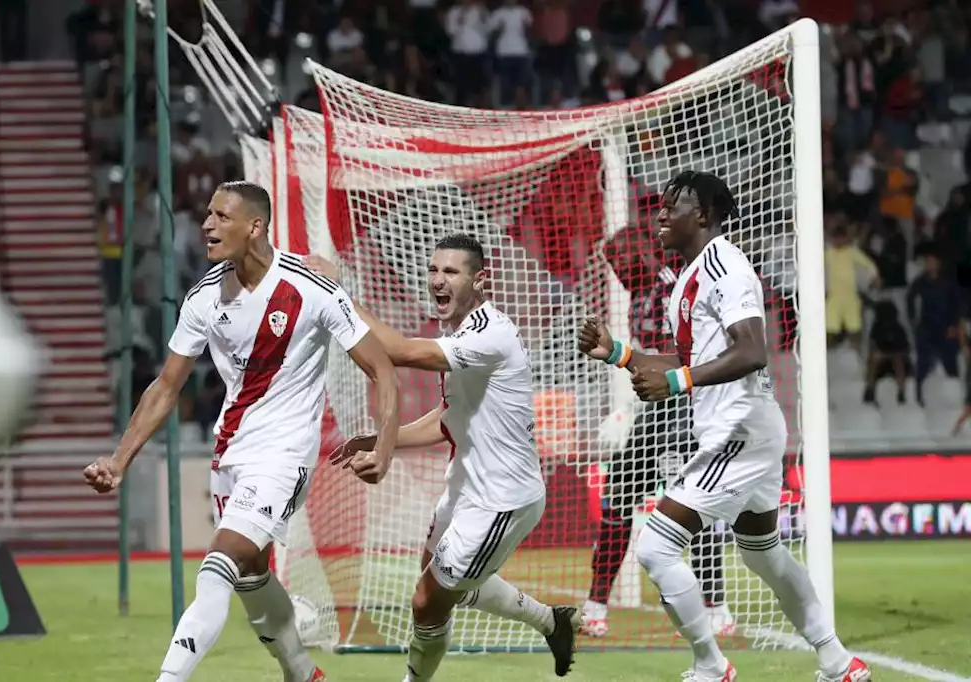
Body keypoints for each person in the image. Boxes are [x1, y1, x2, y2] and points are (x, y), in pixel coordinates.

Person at [83, 180, 400, 682]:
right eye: (207, 214)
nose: (206, 225)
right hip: (229, 455)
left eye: (220, 216)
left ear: (255, 226)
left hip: (284, 455)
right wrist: (119, 460)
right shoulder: (205, 297)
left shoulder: (311, 287)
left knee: (218, 566)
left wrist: (383, 448)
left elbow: (382, 369)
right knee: (252, 575)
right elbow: (166, 385)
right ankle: (302, 673)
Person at [576, 170, 871, 682]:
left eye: (674, 206)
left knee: (657, 545)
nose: (661, 215)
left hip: (737, 432)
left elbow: (751, 350)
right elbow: (687, 358)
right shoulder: (687, 281)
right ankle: (837, 662)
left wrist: (677, 383)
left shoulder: (726, 267)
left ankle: (711, 666)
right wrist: (620, 354)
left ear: (706, 215)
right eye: (660, 206)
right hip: (740, 430)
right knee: (764, 554)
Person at [309, 234, 579, 681]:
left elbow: (398, 352)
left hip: (502, 500)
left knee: (426, 601)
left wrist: (335, 293)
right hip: (466, 484)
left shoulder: (489, 335)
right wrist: (384, 439)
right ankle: (553, 622)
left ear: (480, 280)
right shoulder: (456, 330)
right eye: (434, 270)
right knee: (439, 586)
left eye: (451, 271)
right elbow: (448, 418)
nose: (438, 280)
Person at [583, 236, 733, 639]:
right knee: (616, 495)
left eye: (619, 259)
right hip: (654, 411)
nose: (616, 269)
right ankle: (596, 606)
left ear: (641, 251)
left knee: (694, 505)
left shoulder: (677, 286)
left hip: (688, 408)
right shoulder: (639, 298)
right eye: (610, 263)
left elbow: (691, 354)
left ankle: (715, 606)